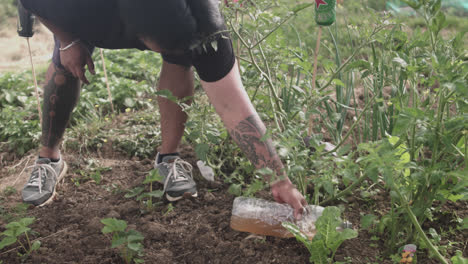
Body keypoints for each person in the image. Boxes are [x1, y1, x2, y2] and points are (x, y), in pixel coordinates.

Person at [18, 0, 307, 219]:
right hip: (87, 13)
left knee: (183, 53)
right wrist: (67, 40)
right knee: (64, 64)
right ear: (137, 33)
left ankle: (167, 157)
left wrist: (278, 179)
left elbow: (232, 103)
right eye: (166, 44)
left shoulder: (203, 23)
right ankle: (48, 159)